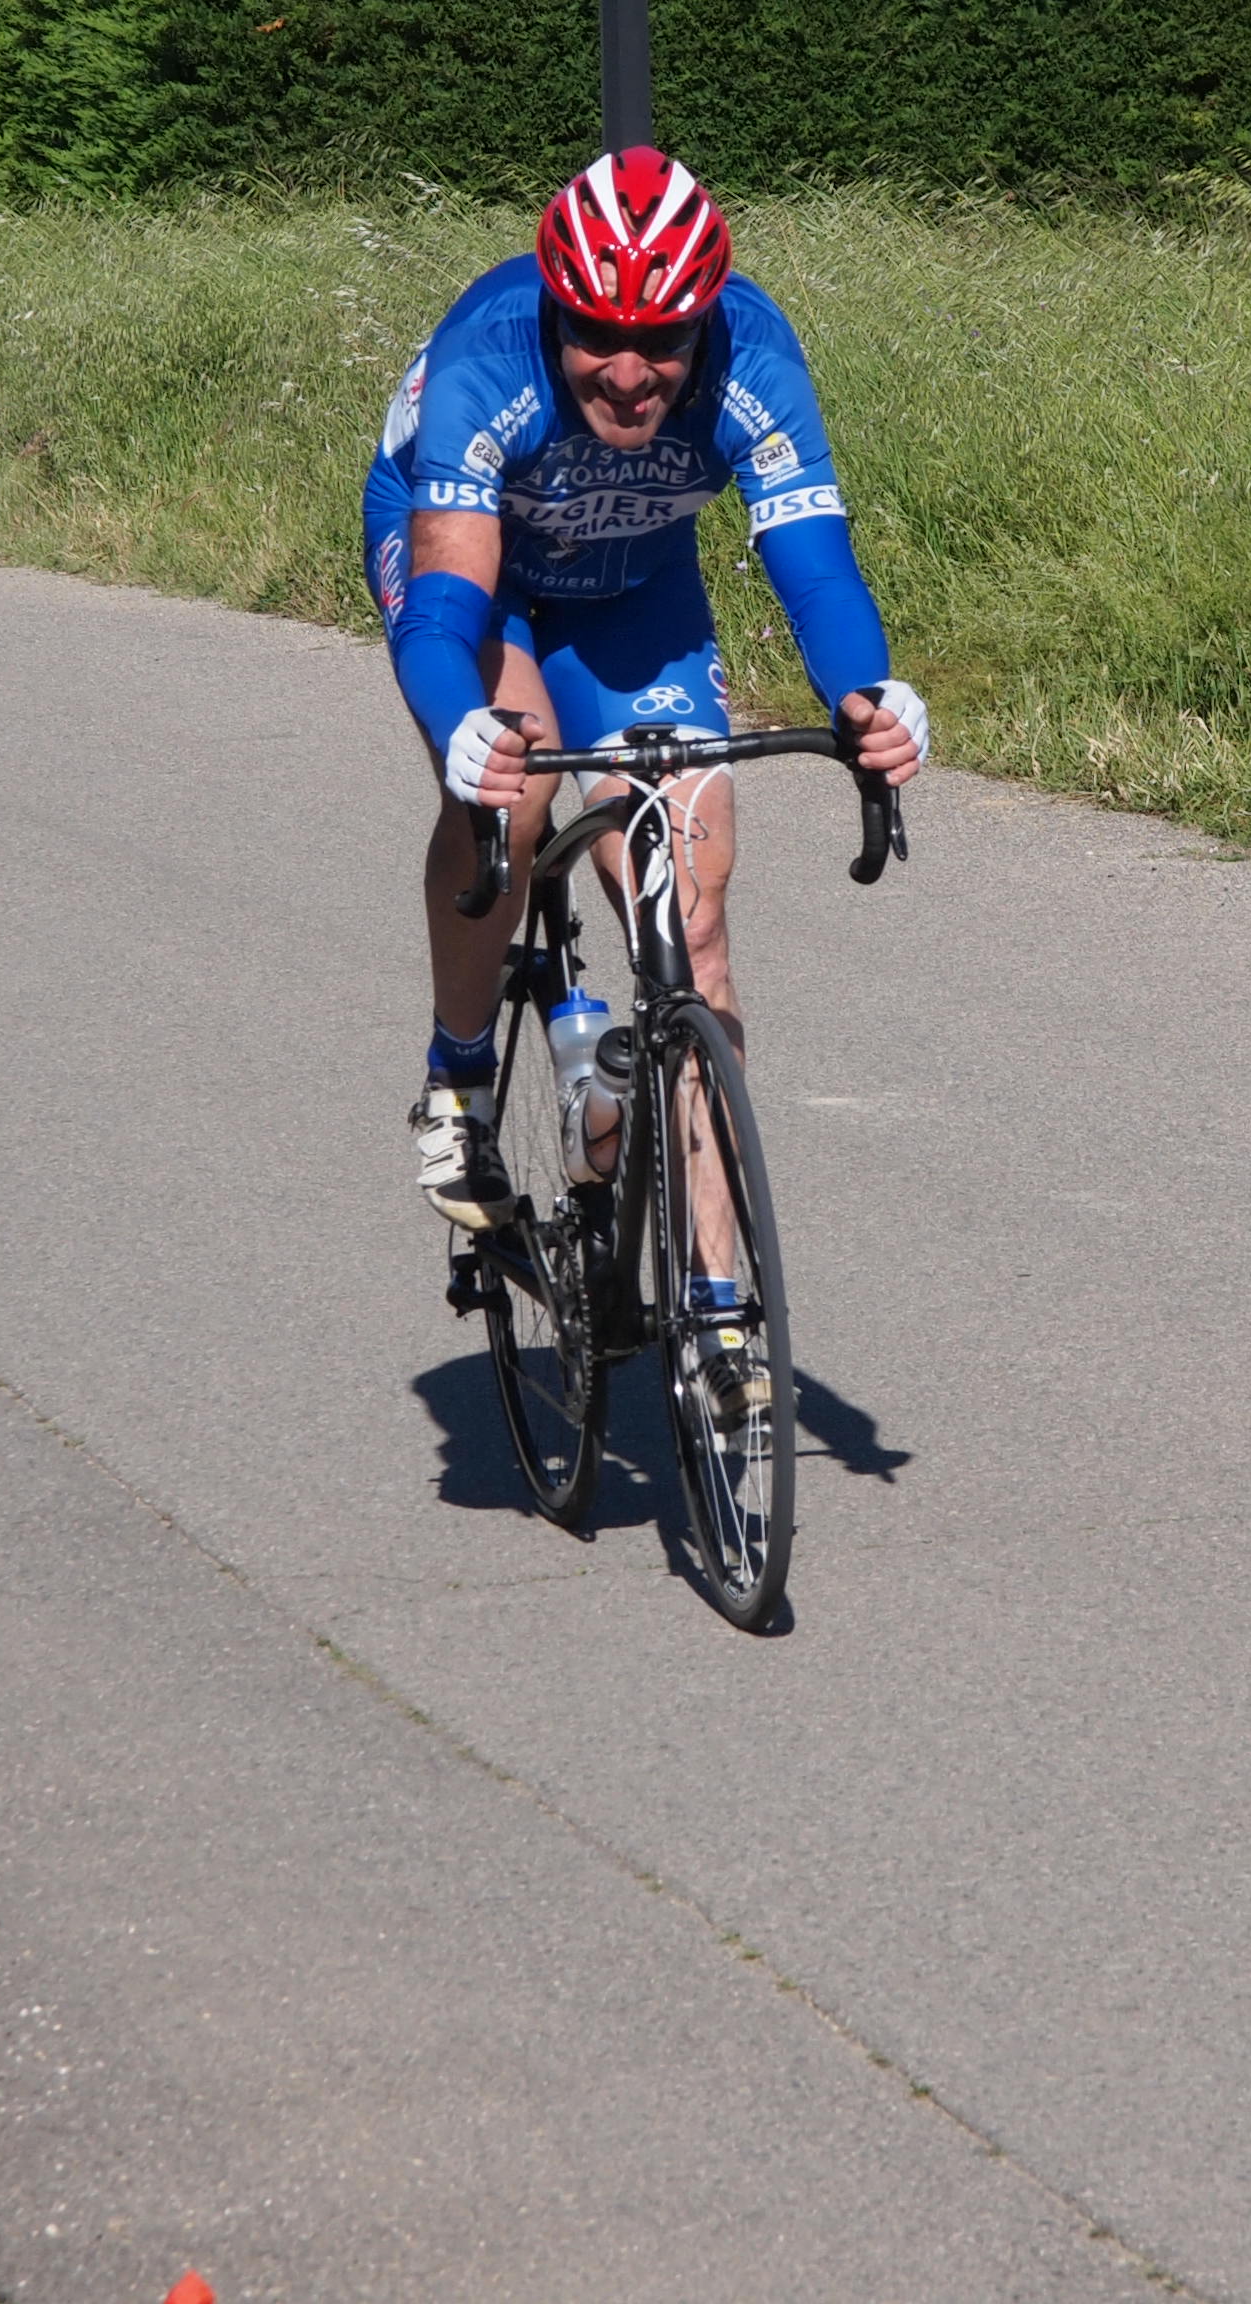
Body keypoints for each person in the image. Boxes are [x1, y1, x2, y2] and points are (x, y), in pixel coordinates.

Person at [365, 146, 928, 1390]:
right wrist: (462, 725)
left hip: (634, 590)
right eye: (599, 339)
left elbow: (818, 570)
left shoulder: (755, 358)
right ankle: (460, 1075)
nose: (629, 374)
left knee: (696, 918)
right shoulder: (487, 361)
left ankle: (719, 1310)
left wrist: (868, 697)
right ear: (558, 314)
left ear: (704, 322)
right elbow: (446, 612)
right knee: (511, 798)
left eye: (663, 342)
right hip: (487, 586)